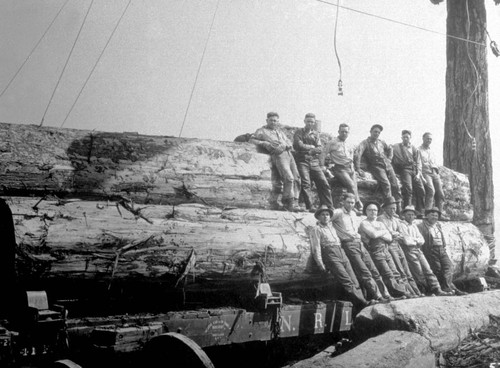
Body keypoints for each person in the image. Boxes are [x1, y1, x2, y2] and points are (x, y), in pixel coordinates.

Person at [331, 193, 392, 302]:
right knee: (364, 272)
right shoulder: (338, 212)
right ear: (343, 202)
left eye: (353, 202)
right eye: (348, 202)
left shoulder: (354, 214)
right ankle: (378, 296)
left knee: (374, 270)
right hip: (349, 244)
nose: (351, 205)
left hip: (360, 244)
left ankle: (386, 294)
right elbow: (325, 219)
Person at [309, 205, 371, 309]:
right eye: (323, 215)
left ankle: (363, 300)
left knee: (354, 279)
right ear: (318, 217)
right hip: (330, 254)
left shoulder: (332, 226)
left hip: (341, 252)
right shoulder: (316, 229)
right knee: (346, 280)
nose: (325, 217)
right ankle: (363, 302)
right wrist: (320, 263)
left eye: (327, 214)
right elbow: (316, 247)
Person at [250, 112, 302, 212]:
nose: (274, 123)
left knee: (297, 178)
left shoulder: (280, 132)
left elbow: (289, 142)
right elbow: (252, 140)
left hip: (288, 154)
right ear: (267, 120)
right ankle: (288, 202)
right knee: (289, 177)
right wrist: (265, 143)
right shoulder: (262, 131)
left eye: (276, 121)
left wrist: (286, 145)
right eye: (272, 120)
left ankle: (295, 202)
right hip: (278, 155)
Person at [358, 202, 410, 298]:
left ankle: (403, 292)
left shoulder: (380, 223)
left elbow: (390, 238)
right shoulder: (364, 223)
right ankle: (397, 293)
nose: (373, 212)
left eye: (375, 210)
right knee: (387, 273)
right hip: (375, 250)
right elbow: (373, 235)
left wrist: (380, 233)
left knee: (395, 272)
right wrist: (384, 231)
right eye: (370, 210)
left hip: (385, 249)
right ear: (366, 211)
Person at [399, 205, 453, 296]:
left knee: (428, 270)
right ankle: (424, 291)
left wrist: (415, 240)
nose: (411, 217)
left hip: (419, 250)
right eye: (409, 215)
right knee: (419, 272)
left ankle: (438, 289)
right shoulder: (402, 225)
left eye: (412, 215)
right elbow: (407, 241)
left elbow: (422, 240)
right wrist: (416, 240)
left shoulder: (414, 226)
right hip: (410, 251)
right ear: (404, 215)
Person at [377, 197, 423, 297]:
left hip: (397, 244)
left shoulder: (396, 219)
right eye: (390, 208)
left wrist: (396, 234)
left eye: (394, 208)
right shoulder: (381, 218)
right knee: (399, 270)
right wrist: (395, 234)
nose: (393, 210)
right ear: (385, 208)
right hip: (389, 246)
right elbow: (387, 232)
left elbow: (401, 234)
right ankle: (407, 292)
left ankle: (417, 292)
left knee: (406, 270)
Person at [417, 207, 467, 295]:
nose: (434, 217)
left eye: (436, 215)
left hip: (441, 249)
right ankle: (448, 289)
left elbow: (442, 238)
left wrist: (443, 247)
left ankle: (448, 288)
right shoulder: (421, 226)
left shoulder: (438, 225)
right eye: (432, 215)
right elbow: (420, 240)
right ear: (427, 216)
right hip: (431, 250)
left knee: (449, 266)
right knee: (437, 270)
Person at [355, 124, 402, 212]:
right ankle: (390, 208)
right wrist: (357, 168)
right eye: (375, 132)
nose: (376, 134)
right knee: (386, 184)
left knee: (395, 185)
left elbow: (390, 149)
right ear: (370, 132)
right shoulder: (365, 143)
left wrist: (389, 159)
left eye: (378, 133)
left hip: (387, 165)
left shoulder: (381, 142)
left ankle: (399, 210)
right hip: (376, 166)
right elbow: (358, 153)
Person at [293, 113, 333, 212]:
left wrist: (311, 150)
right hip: (302, 160)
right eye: (308, 121)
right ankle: (310, 206)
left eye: (312, 122)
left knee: (323, 182)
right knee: (306, 183)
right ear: (304, 121)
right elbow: (298, 145)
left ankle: (328, 206)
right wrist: (311, 147)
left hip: (314, 162)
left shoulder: (316, 134)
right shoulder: (298, 132)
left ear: (314, 123)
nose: (310, 123)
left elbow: (320, 148)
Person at [324, 123, 363, 211]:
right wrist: (323, 167)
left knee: (355, 186)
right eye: (342, 132)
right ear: (338, 132)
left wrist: (354, 168)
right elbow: (323, 154)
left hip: (350, 168)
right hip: (340, 168)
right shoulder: (332, 143)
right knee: (351, 185)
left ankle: (356, 203)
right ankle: (354, 206)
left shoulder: (350, 143)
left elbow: (353, 155)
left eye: (346, 132)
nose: (344, 133)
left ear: (348, 133)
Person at [392, 130, 426, 217]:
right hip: (405, 170)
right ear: (401, 138)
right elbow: (391, 156)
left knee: (421, 189)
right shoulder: (396, 147)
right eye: (404, 137)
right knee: (408, 189)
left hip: (414, 171)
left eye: (407, 137)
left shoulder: (414, 149)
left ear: (410, 138)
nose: (405, 139)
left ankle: (420, 211)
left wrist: (418, 174)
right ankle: (408, 211)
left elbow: (418, 162)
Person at [418, 132, 448, 220]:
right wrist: (421, 175)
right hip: (425, 172)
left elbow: (435, 164)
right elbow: (418, 164)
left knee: (440, 193)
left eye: (430, 139)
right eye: (427, 138)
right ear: (423, 139)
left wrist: (437, 173)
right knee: (431, 190)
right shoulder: (418, 150)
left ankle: (439, 213)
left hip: (434, 173)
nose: (429, 140)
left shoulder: (432, 151)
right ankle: (427, 213)